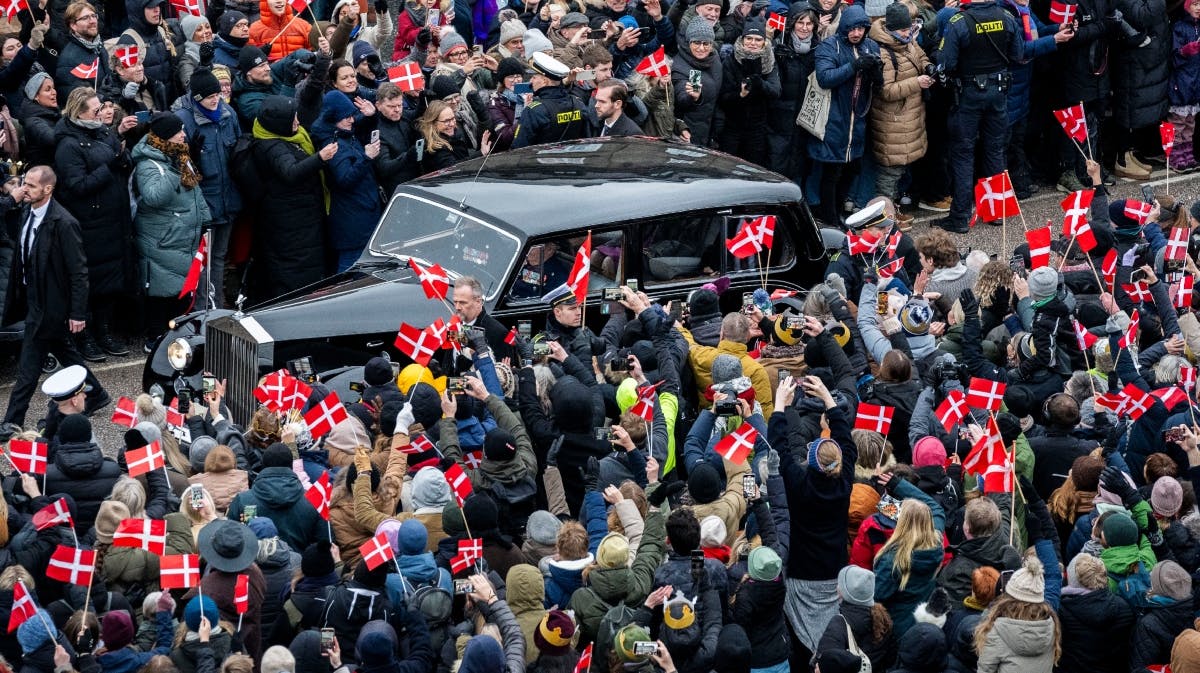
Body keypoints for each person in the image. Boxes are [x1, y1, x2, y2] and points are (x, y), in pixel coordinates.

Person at [1, 166, 110, 432]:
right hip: (33, 298)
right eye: (24, 183)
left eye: (32, 186)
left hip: (51, 304)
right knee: (66, 352)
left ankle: (12, 421)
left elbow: (78, 272)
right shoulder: (28, 211)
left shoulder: (64, 223)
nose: (25, 189)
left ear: (48, 189)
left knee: (29, 365)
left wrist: (77, 313)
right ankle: (96, 393)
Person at [54, 86, 135, 362]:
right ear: (80, 112)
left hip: (113, 221)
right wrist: (109, 167)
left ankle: (104, 331)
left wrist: (123, 158)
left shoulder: (102, 132)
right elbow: (76, 185)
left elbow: (119, 158)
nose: (102, 112)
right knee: (89, 284)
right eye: (96, 109)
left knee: (110, 283)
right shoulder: (68, 144)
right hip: (89, 224)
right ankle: (84, 337)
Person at [932, 0, 1022, 233]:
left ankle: (960, 217)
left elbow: (946, 63)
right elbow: (1018, 54)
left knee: (963, 155)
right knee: (995, 150)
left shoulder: (958, 21)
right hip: (999, 92)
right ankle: (995, 212)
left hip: (968, 95)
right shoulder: (1005, 16)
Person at [132, 112, 211, 349]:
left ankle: (176, 336)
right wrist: (175, 170)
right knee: (162, 292)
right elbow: (154, 197)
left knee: (181, 291)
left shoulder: (180, 156)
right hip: (162, 239)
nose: (183, 135)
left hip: (182, 236)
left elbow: (195, 191)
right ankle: (155, 338)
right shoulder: (149, 163)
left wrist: (205, 218)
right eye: (179, 132)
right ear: (167, 135)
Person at [246, 94, 336, 304]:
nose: (297, 122)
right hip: (290, 225)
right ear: (278, 124)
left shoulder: (286, 137)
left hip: (301, 219)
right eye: (292, 119)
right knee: (295, 276)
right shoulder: (272, 146)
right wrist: (320, 158)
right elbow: (291, 172)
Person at [808, 5, 878, 228]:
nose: (857, 33)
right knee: (831, 172)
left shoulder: (870, 45)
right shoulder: (830, 46)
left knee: (850, 170)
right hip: (834, 119)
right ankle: (830, 218)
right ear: (844, 28)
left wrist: (876, 72)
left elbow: (878, 84)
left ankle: (838, 212)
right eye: (852, 29)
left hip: (856, 121)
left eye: (861, 29)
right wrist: (854, 66)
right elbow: (825, 78)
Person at [511, 51, 588, 148]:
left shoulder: (534, 111)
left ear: (544, 81)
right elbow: (587, 140)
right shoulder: (578, 103)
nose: (531, 81)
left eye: (534, 77)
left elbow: (519, 147)